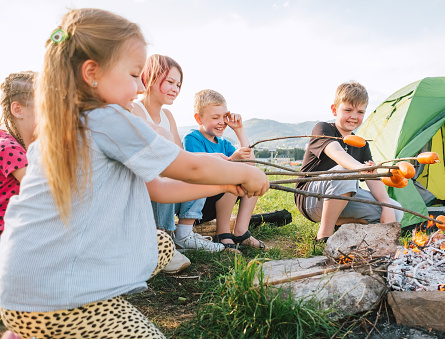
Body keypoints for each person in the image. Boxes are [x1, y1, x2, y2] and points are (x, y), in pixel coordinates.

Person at [0, 8, 268, 339]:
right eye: (132, 74)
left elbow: (157, 188)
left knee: (160, 244)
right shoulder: (106, 118)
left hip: (20, 280)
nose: (139, 85)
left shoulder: (63, 126)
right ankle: (39, 331)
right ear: (91, 73)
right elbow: (189, 165)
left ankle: (29, 331)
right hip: (57, 298)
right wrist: (244, 171)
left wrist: (226, 182)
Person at [132, 55, 223, 266]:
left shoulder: (169, 116)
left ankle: (183, 234)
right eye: (170, 82)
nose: (175, 89)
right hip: (144, 192)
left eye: (178, 84)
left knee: (196, 169)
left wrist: (212, 159)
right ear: (151, 78)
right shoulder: (136, 109)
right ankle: (163, 237)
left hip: (165, 191)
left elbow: (180, 157)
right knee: (163, 171)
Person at [294, 81, 403, 242]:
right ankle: (324, 235)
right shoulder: (323, 129)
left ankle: (341, 225)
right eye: (348, 110)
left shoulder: (361, 143)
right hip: (310, 198)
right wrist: (359, 167)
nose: (354, 116)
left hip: (342, 199)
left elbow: (371, 177)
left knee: (396, 211)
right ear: (334, 110)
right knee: (346, 172)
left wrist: (386, 204)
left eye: (360, 112)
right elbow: (336, 152)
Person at [184, 89, 265, 251]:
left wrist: (239, 129)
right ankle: (223, 233)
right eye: (215, 118)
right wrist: (232, 160)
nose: (222, 122)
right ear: (198, 118)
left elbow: (250, 164)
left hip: (218, 203)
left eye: (224, 117)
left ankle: (241, 231)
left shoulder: (224, 143)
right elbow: (202, 171)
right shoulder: (192, 139)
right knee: (232, 176)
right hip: (196, 206)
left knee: (254, 177)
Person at [0, 71, 36, 237]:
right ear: (18, 110)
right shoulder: (8, 148)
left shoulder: (18, 147)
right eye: (45, 106)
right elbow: (40, 185)